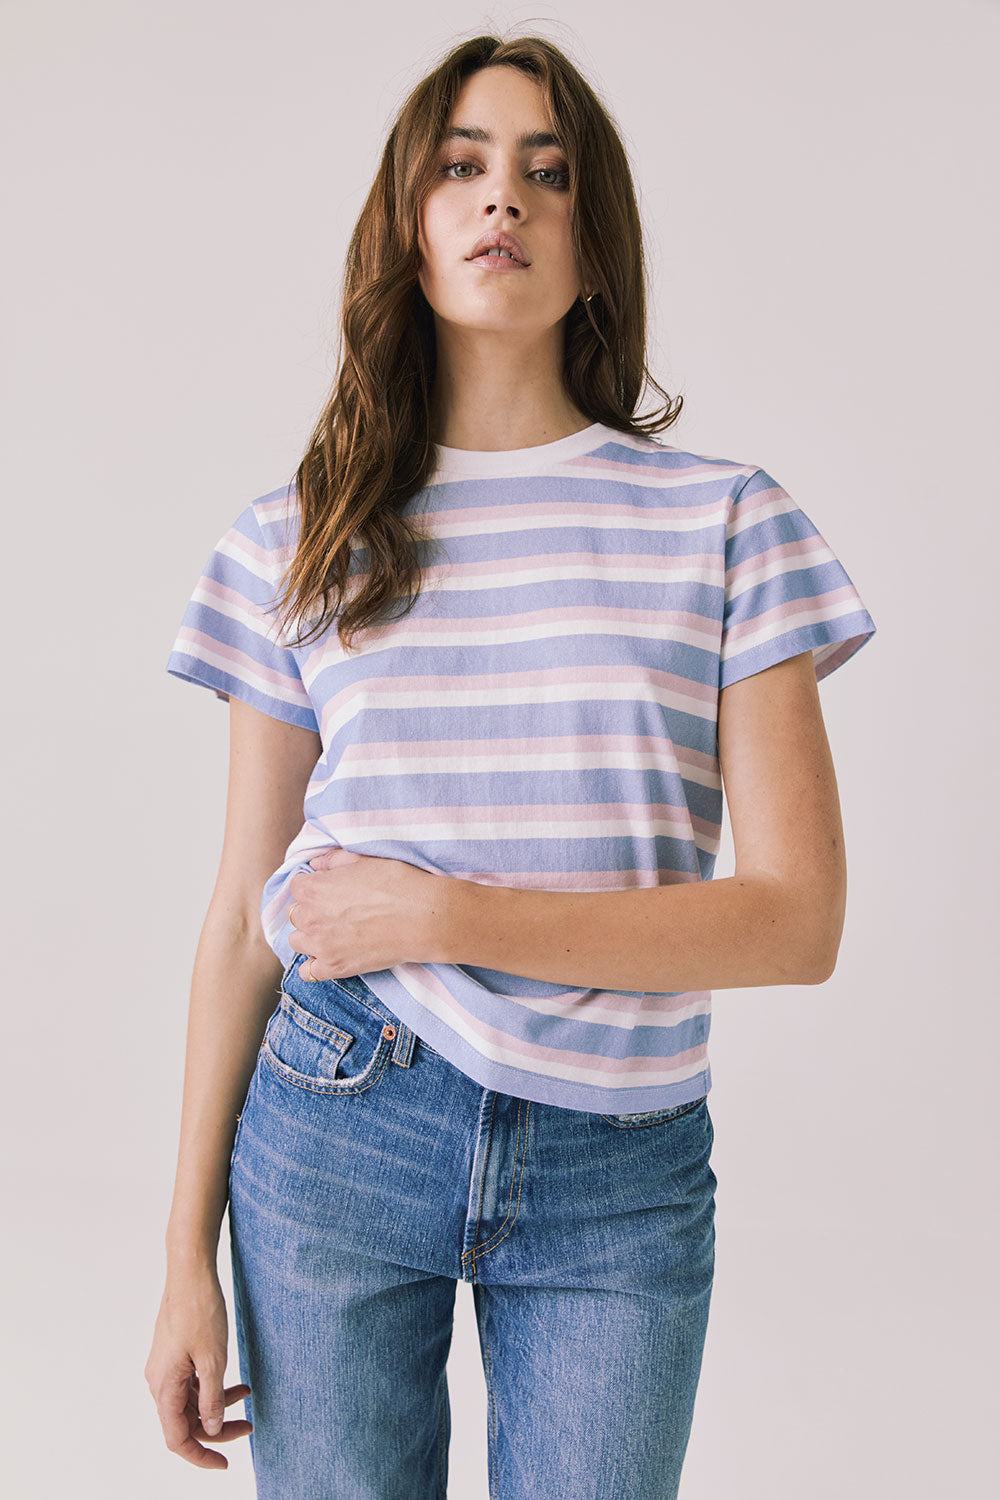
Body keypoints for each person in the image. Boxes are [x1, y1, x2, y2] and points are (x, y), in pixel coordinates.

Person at [145, 33, 876, 1500]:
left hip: (619, 1160)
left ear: (594, 245)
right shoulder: (296, 536)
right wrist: (180, 1260)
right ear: (409, 229)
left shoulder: (728, 525)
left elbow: (798, 924)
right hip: (339, 1118)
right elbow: (241, 915)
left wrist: (444, 912)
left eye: (549, 176)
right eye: (463, 168)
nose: (505, 203)